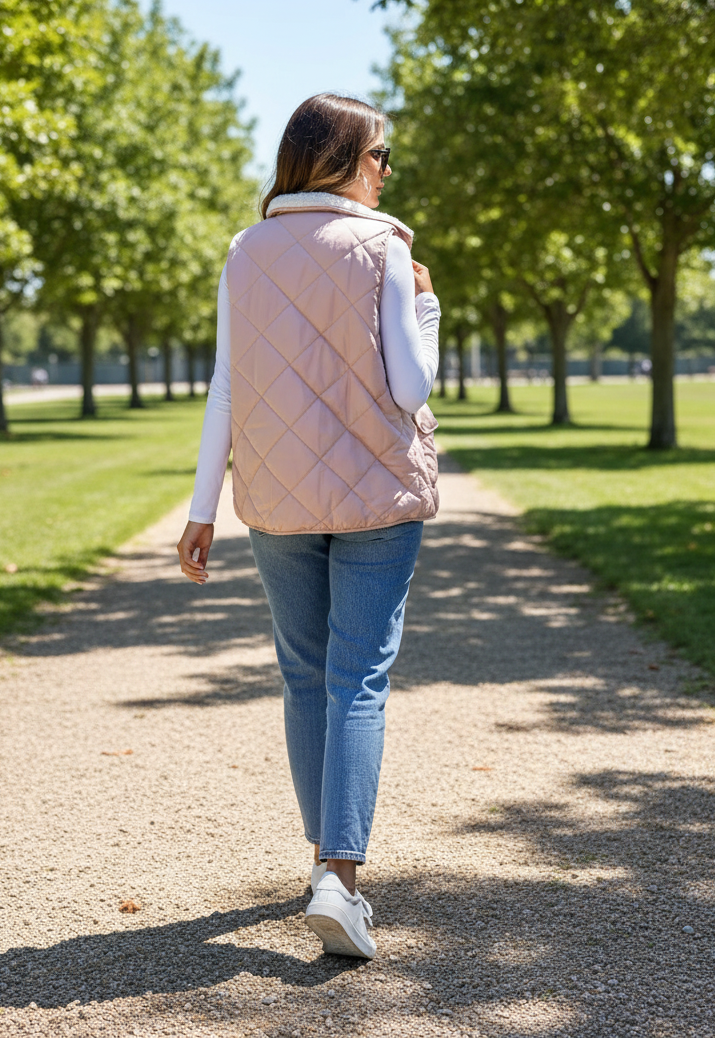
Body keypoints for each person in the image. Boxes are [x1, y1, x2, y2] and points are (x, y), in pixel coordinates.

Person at [177, 93, 441, 959]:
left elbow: (225, 384)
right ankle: (341, 878)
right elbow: (411, 390)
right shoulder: (386, 248)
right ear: (344, 160)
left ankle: (320, 867)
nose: (387, 172)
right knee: (358, 676)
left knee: (305, 675)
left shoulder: (244, 250)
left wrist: (201, 509)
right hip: (375, 496)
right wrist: (429, 309)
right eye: (381, 155)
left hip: (276, 499)